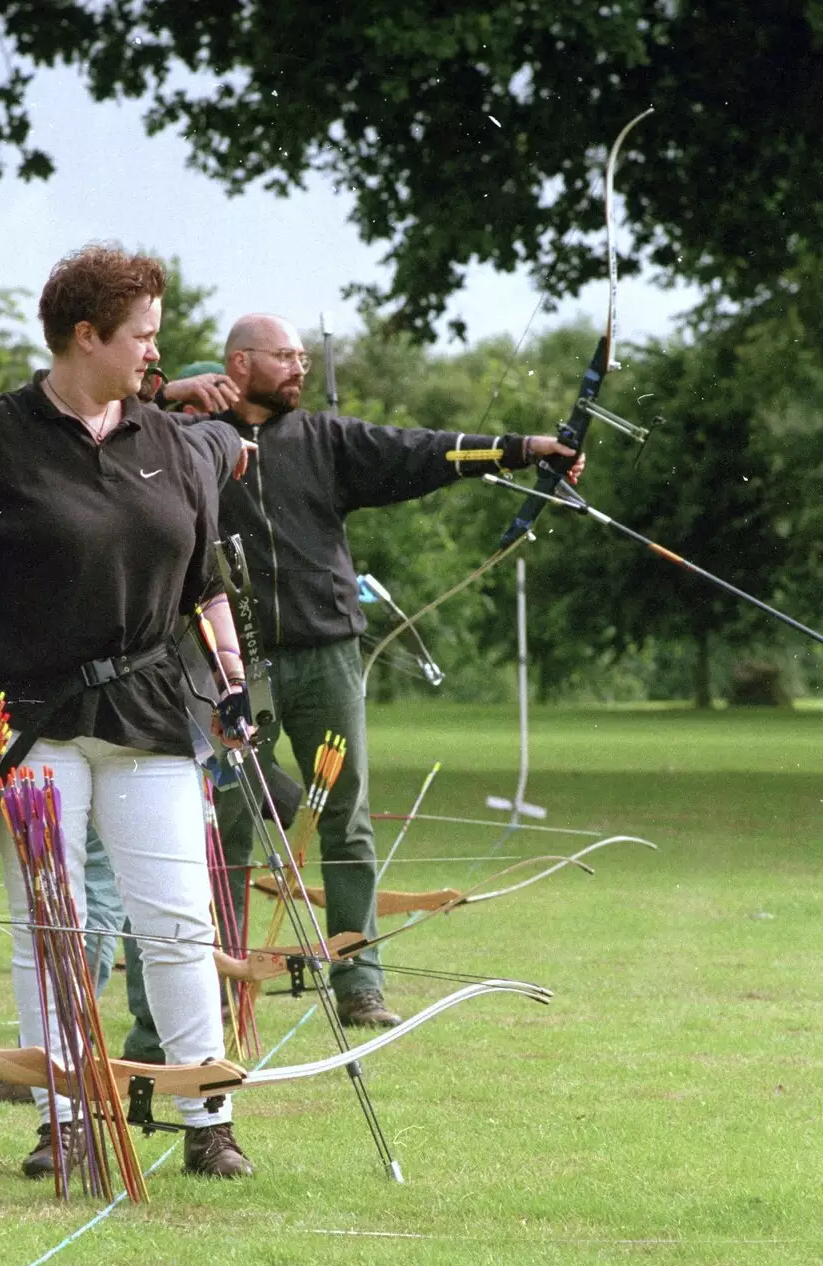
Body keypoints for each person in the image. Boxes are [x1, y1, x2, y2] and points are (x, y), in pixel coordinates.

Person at [0, 244, 257, 1180]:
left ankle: (205, 1115)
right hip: (30, 715)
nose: (156, 352)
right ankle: (64, 1117)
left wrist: (231, 684)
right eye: (140, 335)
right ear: (85, 335)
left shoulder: (171, 442)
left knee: (178, 918)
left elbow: (207, 583)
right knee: (50, 921)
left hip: (149, 711)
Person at [143, 315, 585, 1030]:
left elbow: (425, 451)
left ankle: (359, 982)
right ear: (238, 363)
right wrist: (170, 397)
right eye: (283, 356)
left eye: (302, 356)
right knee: (225, 820)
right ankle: (219, 986)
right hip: (229, 664)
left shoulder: (325, 440)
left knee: (343, 818)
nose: (299, 366)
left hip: (325, 654)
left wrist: (526, 448)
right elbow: (111, 433)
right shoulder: (183, 442)